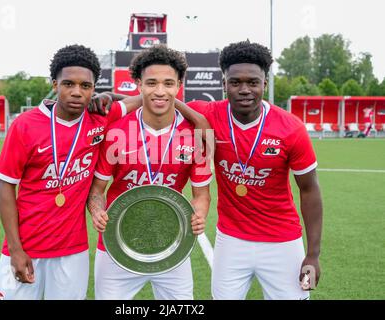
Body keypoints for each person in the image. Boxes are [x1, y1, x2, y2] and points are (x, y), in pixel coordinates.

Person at [0, 44, 142, 300]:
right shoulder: (25, 126)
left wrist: (110, 94)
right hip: (26, 248)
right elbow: (5, 187)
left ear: (93, 89)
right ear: (54, 84)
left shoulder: (99, 119)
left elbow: (141, 98)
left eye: (86, 86)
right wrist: (15, 249)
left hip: (72, 252)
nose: (76, 92)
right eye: (68, 84)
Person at [187, 41, 323, 300]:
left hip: (283, 242)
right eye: (235, 82)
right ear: (224, 84)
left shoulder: (291, 128)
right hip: (231, 241)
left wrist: (313, 255)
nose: (245, 90)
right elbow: (158, 101)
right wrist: (109, 101)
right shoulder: (208, 114)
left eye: (253, 82)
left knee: (299, 297)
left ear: (265, 84)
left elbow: (310, 190)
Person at [87, 45, 212, 300]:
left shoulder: (195, 134)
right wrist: (97, 209)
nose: (159, 91)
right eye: (151, 83)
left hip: (172, 245)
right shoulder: (116, 130)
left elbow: (202, 194)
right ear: (138, 84)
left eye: (168, 83)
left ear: (178, 86)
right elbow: (97, 191)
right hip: (116, 245)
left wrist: (199, 213)